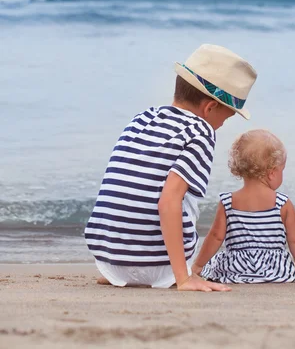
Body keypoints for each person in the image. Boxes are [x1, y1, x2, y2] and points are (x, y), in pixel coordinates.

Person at [84, 44, 258, 291]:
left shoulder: (142, 118)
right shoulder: (200, 132)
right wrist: (184, 278)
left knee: (141, 178)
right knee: (182, 196)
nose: (220, 125)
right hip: (157, 268)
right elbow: (168, 202)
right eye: (226, 117)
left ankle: (124, 271)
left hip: (109, 261)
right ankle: (174, 271)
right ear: (210, 108)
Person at [193, 129, 295, 283]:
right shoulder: (282, 203)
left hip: (236, 268)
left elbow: (216, 237)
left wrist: (198, 265)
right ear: (272, 172)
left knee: (214, 267)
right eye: (282, 170)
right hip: (274, 270)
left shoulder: (228, 202)